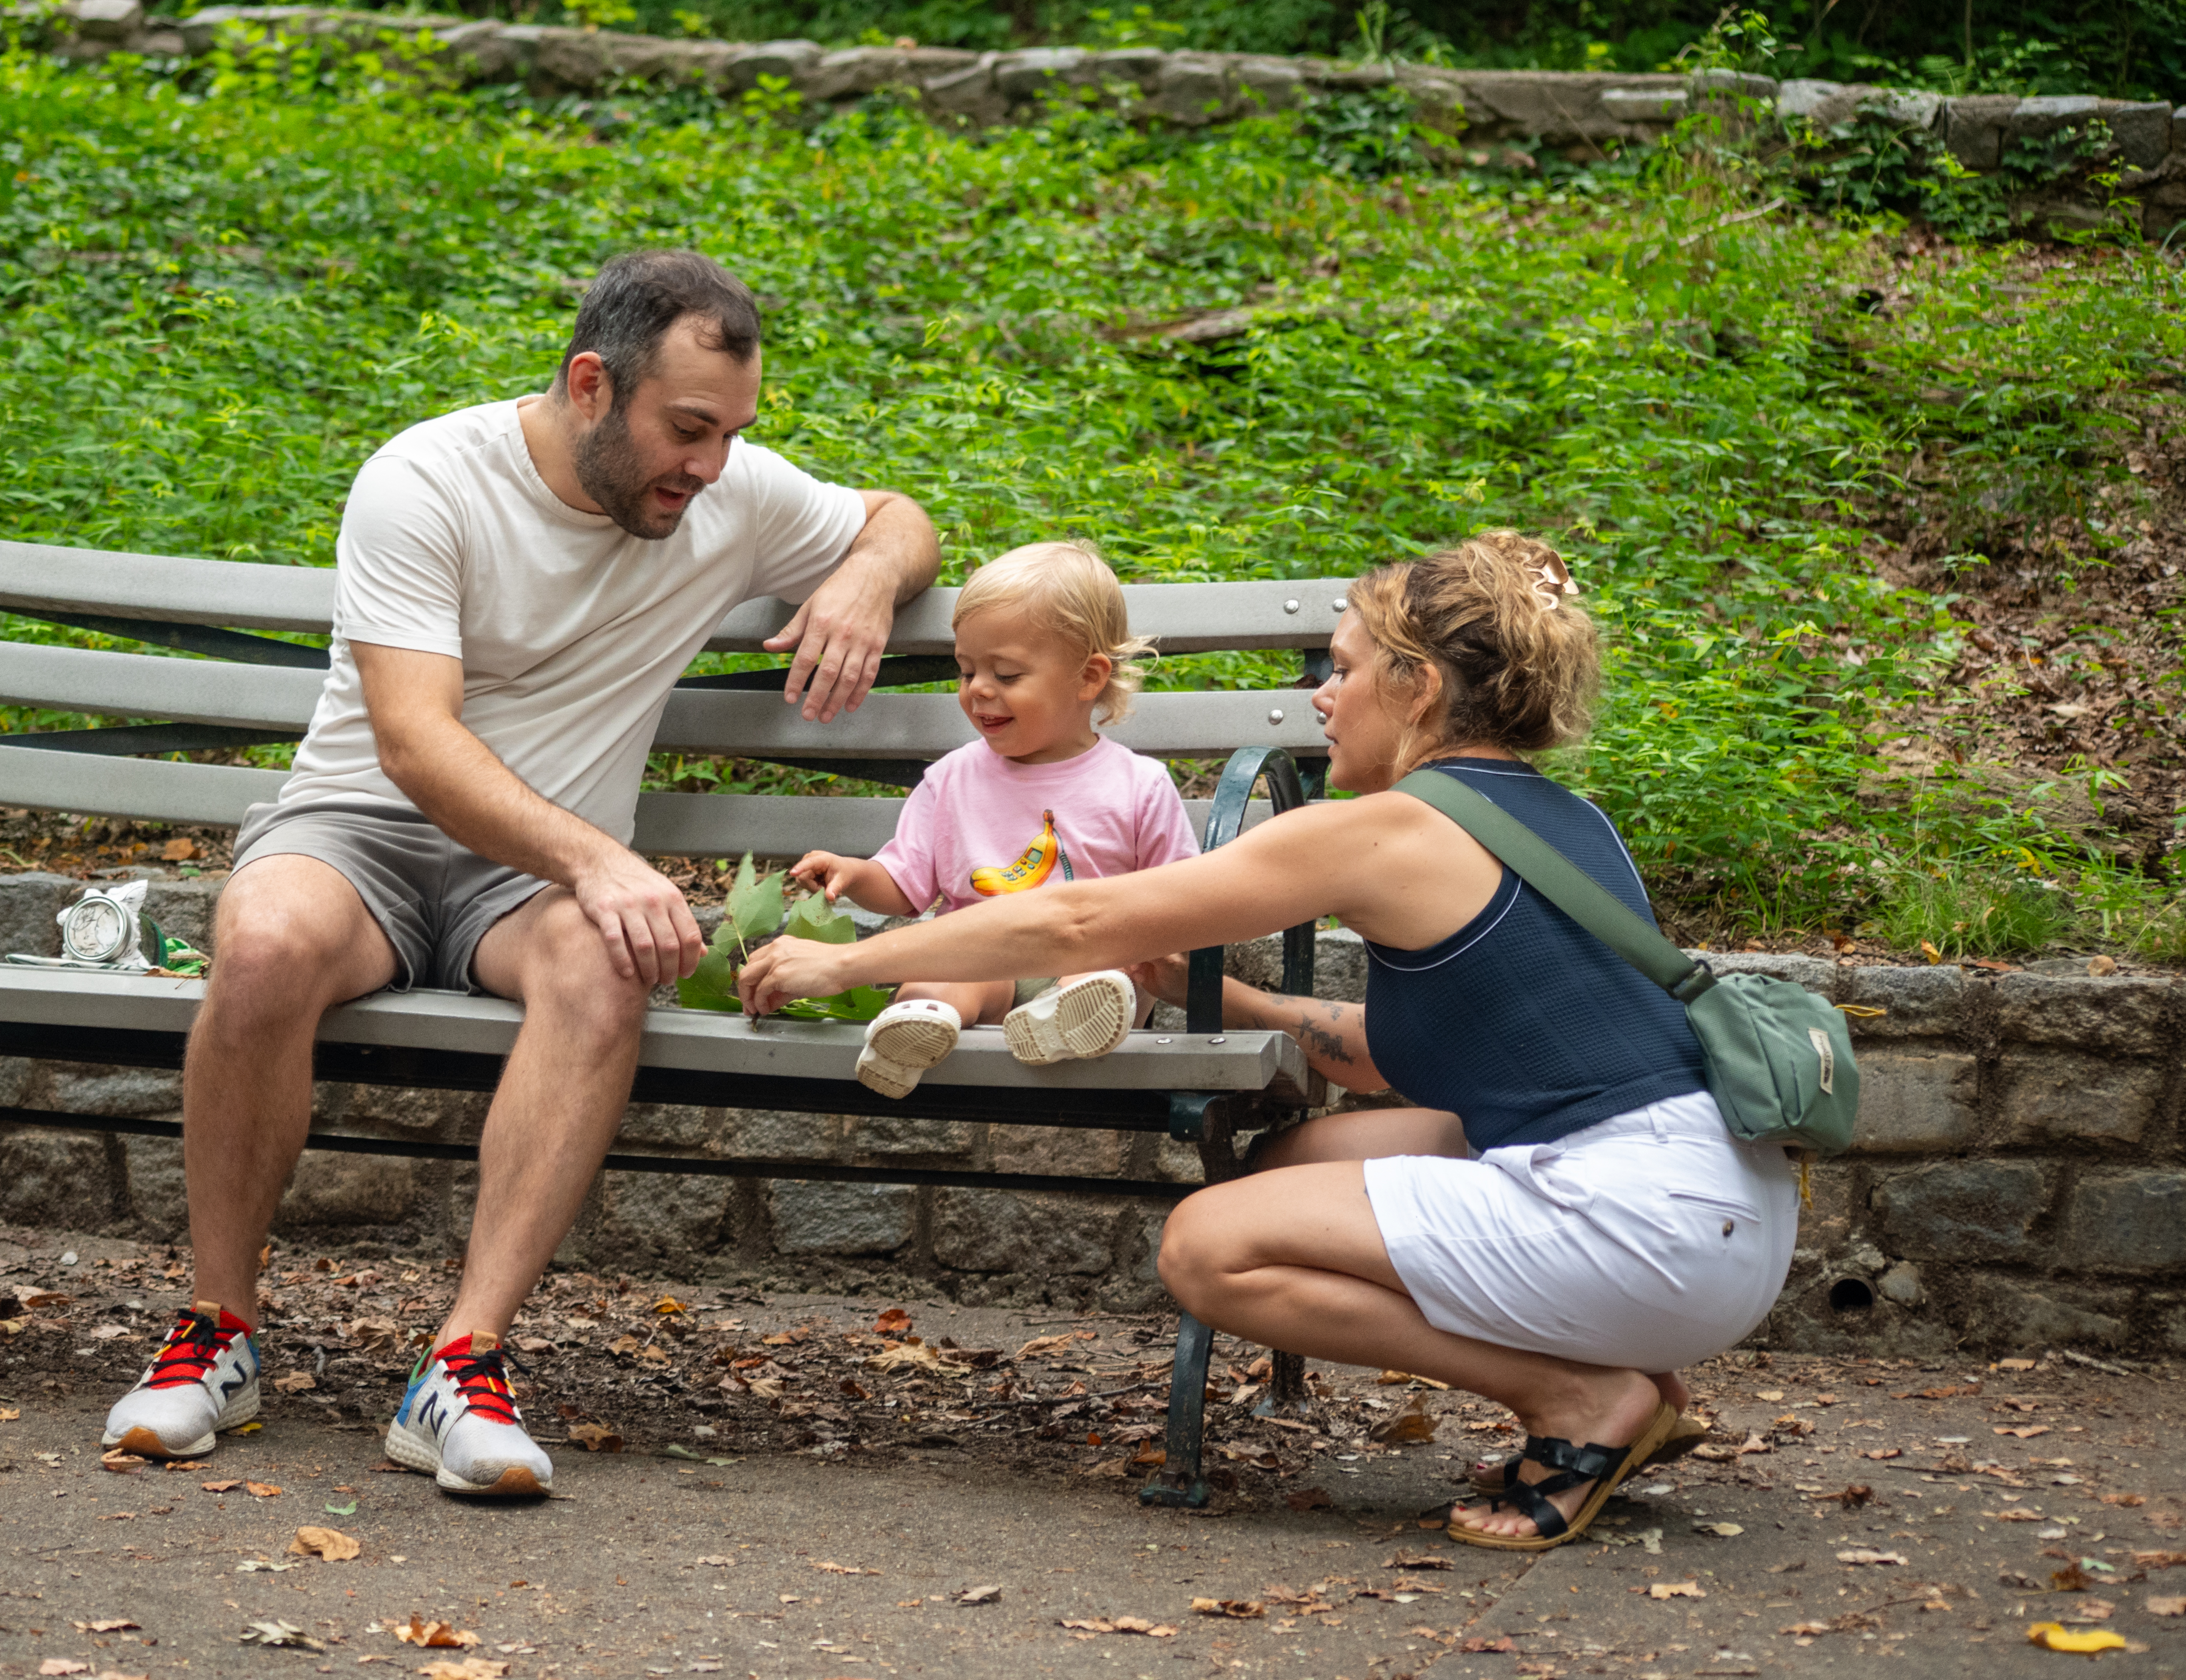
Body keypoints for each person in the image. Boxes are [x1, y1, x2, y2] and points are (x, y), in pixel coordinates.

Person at [736, 530, 1797, 1550]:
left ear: (1418, 687)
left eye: (1341, 671)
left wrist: (843, 963)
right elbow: (1388, 1056)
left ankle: (1581, 1394)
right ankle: (1644, 1379)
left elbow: (1075, 920)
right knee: (1289, 1160)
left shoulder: (1382, 826)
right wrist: (1234, 1000)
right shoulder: (1559, 816)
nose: (1321, 700)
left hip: (1640, 1224)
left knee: (1207, 1245)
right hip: (1714, 1205)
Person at [104, 250, 940, 1498]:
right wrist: (600, 856)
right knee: (267, 937)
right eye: (687, 428)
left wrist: (869, 574)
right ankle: (216, 1334)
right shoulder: (427, 478)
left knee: (610, 966)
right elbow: (414, 739)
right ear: (590, 383)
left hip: (527, 895)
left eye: (732, 435)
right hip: (363, 836)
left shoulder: (729, 495)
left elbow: (896, 515)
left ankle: (462, 1369)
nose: (708, 466)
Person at [787, 541, 1217, 1095]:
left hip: (1092, 965)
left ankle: (1062, 1019)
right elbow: (904, 884)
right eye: (966, 671)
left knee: (1099, 978)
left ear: (1088, 678)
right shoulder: (951, 778)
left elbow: (1180, 905)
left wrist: (1156, 955)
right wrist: (851, 872)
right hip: (981, 957)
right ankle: (918, 1027)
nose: (978, 690)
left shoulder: (1138, 785)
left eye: (1007, 674)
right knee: (939, 976)